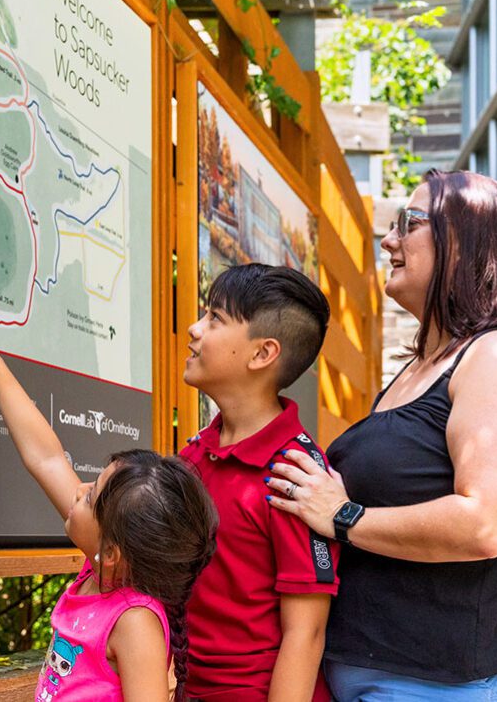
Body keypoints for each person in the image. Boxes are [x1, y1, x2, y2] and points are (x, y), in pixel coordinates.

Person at [263, 169, 497, 701]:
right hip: (395, 673)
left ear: (466, 244)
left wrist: (344, 517)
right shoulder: (423, 369)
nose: (388, 241)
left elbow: (485, 523)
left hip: (472, 680)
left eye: (408, 223)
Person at [0, 287, 218, 702]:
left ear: (112, 551)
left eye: (90, 496)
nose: (79, 489)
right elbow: (47, 456)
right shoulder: (100, 571)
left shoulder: (135, 620)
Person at [179, 263, 339, 702]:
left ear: (262, 354)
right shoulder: (194, 454)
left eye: (215, 318)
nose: (194, 328)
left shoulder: (297, 474)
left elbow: (305, 635)